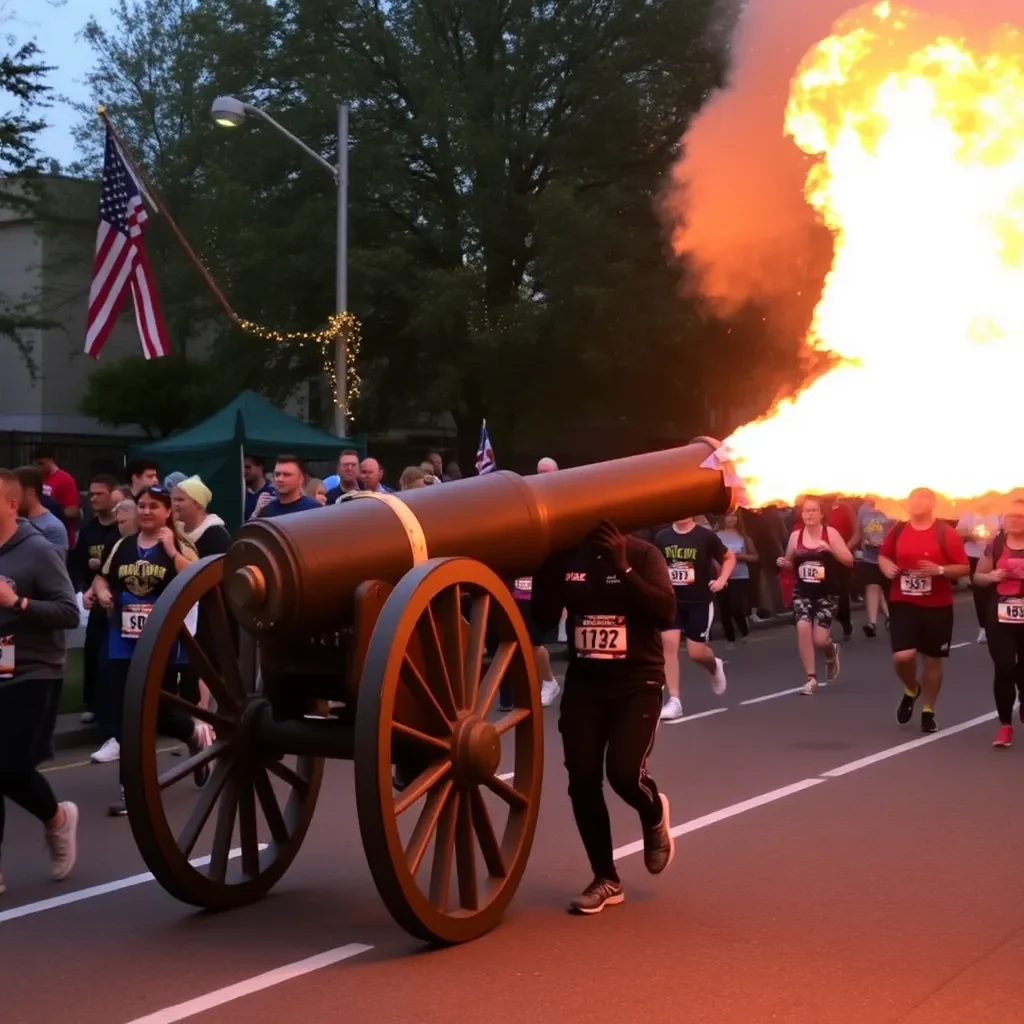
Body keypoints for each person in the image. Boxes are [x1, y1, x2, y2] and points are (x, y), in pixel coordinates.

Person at [531, 520, 676, 914]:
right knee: (582, 779)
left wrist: (623, 567)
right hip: (585, 686)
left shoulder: (644, 554)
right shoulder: (566, 559)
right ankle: (606, 879)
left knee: (625, 774)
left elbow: (665, 611)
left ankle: (653, 812)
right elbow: (541, 619)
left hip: (637, 682)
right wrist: (542, 567)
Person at [88, 485, 213, 814]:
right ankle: (132, 790)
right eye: (141, 506)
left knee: (160, 715)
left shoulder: (180, 543)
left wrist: (172, 550)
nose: (145, 512)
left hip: (163, 642)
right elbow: (103, 577)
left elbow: (198, 580)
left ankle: (193, 736)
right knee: (126, 715)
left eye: (153, 506)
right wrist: (99, 592)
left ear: (167, 511)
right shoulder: (123, 546)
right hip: (122, 642)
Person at [0, 468, 80, 893]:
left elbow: (69, 611)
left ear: (13, 505)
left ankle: (58, 818)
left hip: (33, 669)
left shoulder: (38, 550)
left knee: (9, 767)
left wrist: (19, 602)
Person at [879, 487, 969, 733]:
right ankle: (911, 688)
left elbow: (963, 567)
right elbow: (884, 556)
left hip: (937, 605)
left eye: (923, 498)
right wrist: (886, 567)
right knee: (903, 656)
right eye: (914, 498)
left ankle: (928, 709)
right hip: (903, 600)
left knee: (932, 660)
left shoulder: (945, 533)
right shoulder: (897, 530)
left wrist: (939, 570)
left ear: (933, 504)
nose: (917, 502)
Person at [653, 517, 733, 721]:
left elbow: (729, 557)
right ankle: (674, 701)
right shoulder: (662, 537)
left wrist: (722, 580)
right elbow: (655, 565)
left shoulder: (705, 536)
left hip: (699, 601)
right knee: (668, 644)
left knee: (696, 652)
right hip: (672, 601)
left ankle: (714, 665)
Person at [777, 496, 854, 695]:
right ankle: (810, 679)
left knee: (820, 640)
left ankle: (830, 651)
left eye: (813, 511)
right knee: (803, 626)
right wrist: (784, 564)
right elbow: (790, 563)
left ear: (821, 514)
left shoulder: (830, 533)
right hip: (803, 591)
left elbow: (849, 560)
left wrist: (830, 550)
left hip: (827, 592)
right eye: (805, 511)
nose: (809, 514)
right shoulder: (796, 536)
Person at [68, 474, 121, 724]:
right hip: (94, 600)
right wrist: (83, 589)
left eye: (100, 493)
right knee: (91, 650)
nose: (94, 499)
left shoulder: (120, 529)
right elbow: (76, 564)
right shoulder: (88, 531)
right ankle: (91, 702)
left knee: (111, 656)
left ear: (113, 494)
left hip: (116, 601)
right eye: (91, 494)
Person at [971, 500, 1024, 747]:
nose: (1016, 520)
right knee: (1004, 666)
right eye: (1011, 516)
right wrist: (990, 576)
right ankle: (1005, 725)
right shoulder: (996, 543)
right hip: (1001, 611)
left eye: (1021, 516)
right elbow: (978, 577)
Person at [957, 506, 1003, 644]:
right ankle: (983, 628)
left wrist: (995, 535)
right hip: (975, 556)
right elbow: (958, 532)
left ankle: (1003, 625)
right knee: (980, 593)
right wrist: (972, 535)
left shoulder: (1000, 513)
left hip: (997, 556)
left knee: (1000, 592)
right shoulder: (968, 514)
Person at [714, 513, 756, 646]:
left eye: (734, 516)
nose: (731, 519)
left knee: (735, 606)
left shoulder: (744, 537)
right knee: (724, 608)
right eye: (728, 516)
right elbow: (710, 556)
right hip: (721, 576)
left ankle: (744, 631)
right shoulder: (716, 536)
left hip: (740, 575)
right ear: (723, 518)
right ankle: (730, 638)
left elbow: (755, 557)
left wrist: (741, 556)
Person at [854, 497, 892, 638]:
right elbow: (858, 533)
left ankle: (890, 617)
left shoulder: (891, 507)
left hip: (888, 558)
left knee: (885, 590)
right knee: (872, 586)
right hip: (869, 557)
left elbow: (898, 531)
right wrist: (845, 548)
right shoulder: (863, 510)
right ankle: (872, 624)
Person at [30, 446, 81, 546]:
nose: (38, 468)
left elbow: (72, 511)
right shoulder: (38, 478)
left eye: (41, 464)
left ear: (51, 461)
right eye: (35, 464)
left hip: (58, 536)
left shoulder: (65, 479)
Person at [171, 477, 231, 557]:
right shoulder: (171, 532)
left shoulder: (216, 535)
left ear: (197, 504)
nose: (175, 504)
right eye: (173, 500)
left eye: (180, 500)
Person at [14, 466, 69, 553]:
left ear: (30, 492)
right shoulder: (14, 520)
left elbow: (55, 564)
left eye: (14, 492)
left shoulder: (52, 528)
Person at [826, 495, 857, 640]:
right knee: (823, 592)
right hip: (822, 558)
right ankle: (824, 628)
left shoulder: (844, 508)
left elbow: (857, 532)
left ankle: (845, 622)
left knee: (842, 592)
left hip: (842, 558)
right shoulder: (815, 509)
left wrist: (844, 549)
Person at [255, 456, 321, 518]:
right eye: (277, 474)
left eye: (287, 475)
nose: (280, 479)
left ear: (301, 479)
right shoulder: (267, 512)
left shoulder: (313, 509)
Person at [243, 455, 275, 520]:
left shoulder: (273, 492)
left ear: (260, 468)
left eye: (247, 467)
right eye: (242, 468)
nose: (244, 471)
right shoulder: (242, 495)